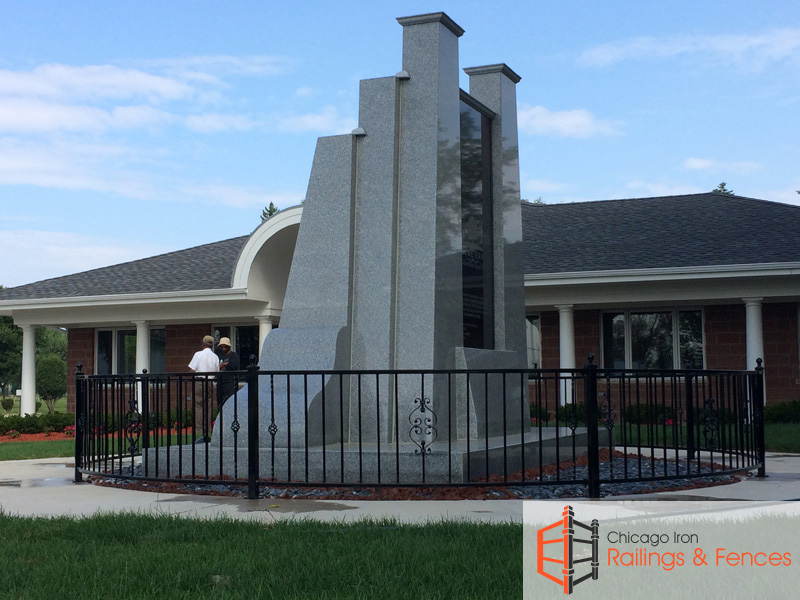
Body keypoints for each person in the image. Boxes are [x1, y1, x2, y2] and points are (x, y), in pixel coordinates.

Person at [188, 335, 219, 443]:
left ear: (203, 343)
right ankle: (208, 429)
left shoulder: (198, 354)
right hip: (210, 382)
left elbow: (192, 369)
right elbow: (217, 371)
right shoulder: (215, 357)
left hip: (199, 382)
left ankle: (199, 430)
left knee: (198, 405)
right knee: (208, 406)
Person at [216, 336, 241, 401]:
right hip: (220, 382)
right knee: (220, 402)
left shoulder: (234, 355)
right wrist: (224, 364)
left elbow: (234, 365)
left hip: (230, 382)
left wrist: (224, 365)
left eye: (225, 347)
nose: (223, 348)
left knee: (231, 401)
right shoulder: (218, 355)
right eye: (221, 347)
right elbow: (215, 365)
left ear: (229, 346)